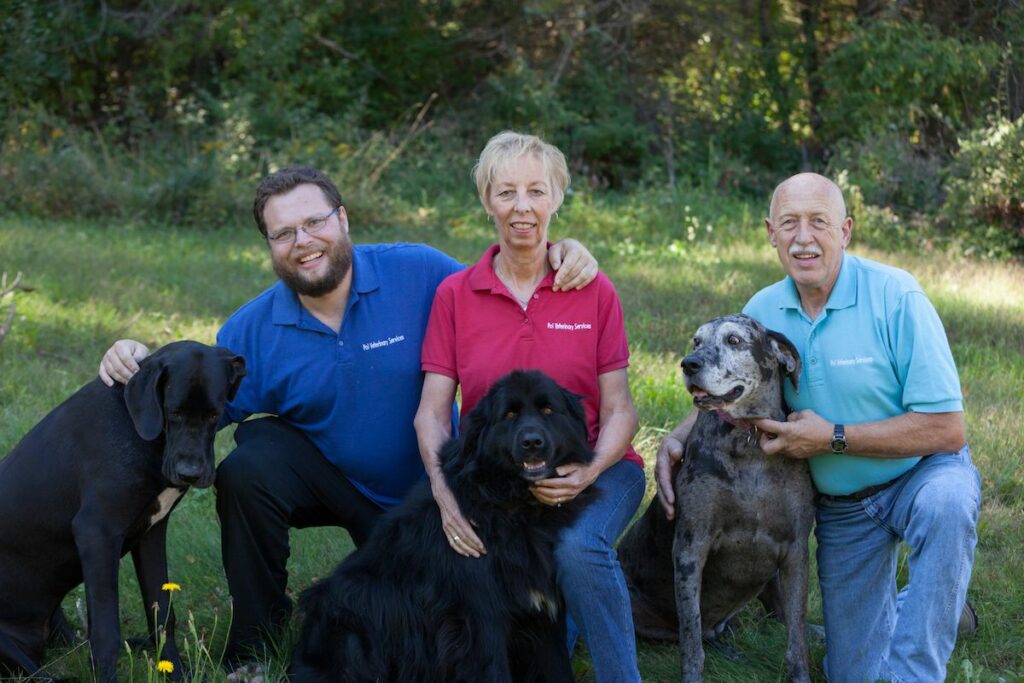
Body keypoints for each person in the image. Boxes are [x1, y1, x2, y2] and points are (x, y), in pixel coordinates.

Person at [97, 165, 600, 672]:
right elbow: (190, 409)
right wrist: (135, 366)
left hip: (435, 499)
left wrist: (560, 253)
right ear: (268, 245)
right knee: (248, 465)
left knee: (485, 620)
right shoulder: (251, 331)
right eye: (284, 233)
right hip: (340, 486)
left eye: (314, 222)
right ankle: (255, 642)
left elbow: (505, 287)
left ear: (342, 219)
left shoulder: (418, 272)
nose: (303, 242)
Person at [656, 172, 980, 682]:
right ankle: (932, 603)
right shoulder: (762, 310)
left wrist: (832, 437)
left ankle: (919, 666)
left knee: (948, 503)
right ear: (770, 233)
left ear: (846, 230)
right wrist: (676, 438)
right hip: (844, 509)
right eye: (789, 223)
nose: (803, 238)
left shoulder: (897, 296)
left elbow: (948, 429)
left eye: (818, 223)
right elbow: (730, 381)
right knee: (850, 671)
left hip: (919, 474)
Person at [414, 131, 645, 682]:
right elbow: (431, 412)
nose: (522, 207)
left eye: (537, 191)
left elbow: (621, 411)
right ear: (487, 201)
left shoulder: (593, 290)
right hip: (501, 479)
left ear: (557, 198)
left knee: (576, 548)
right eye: (507, 192)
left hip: (603, 469)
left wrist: (588, 470)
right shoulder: (455, 295)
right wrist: (446, 496)